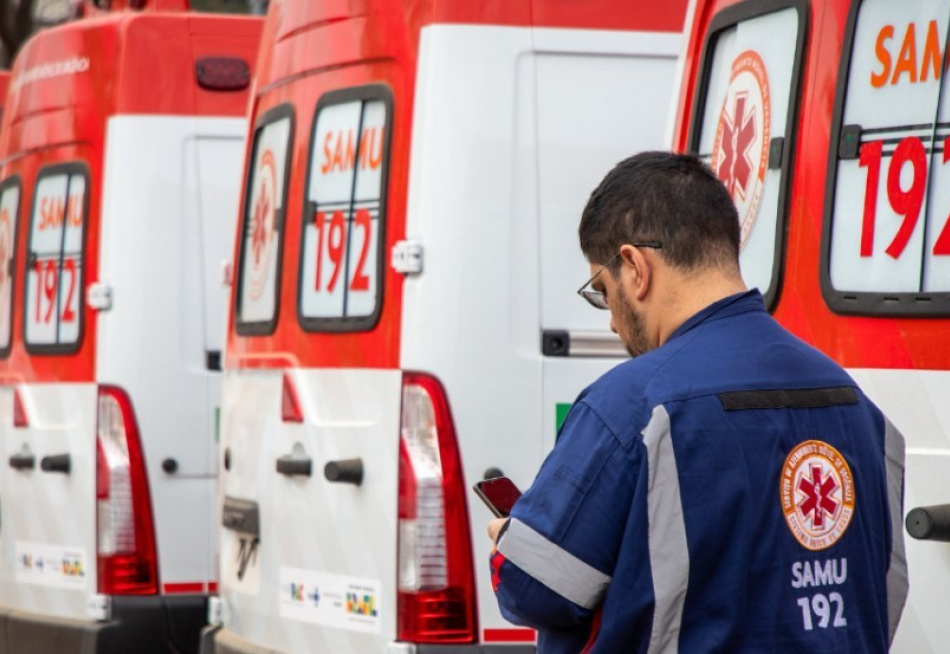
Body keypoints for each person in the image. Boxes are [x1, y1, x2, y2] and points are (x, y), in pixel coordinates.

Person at [487, 151, 907, 652]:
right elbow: (884, 590)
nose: (612, 323)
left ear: (635, 268)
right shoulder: (858, 407)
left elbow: (535, 587)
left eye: (602, 291)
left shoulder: (629, 406)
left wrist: (508, 546)